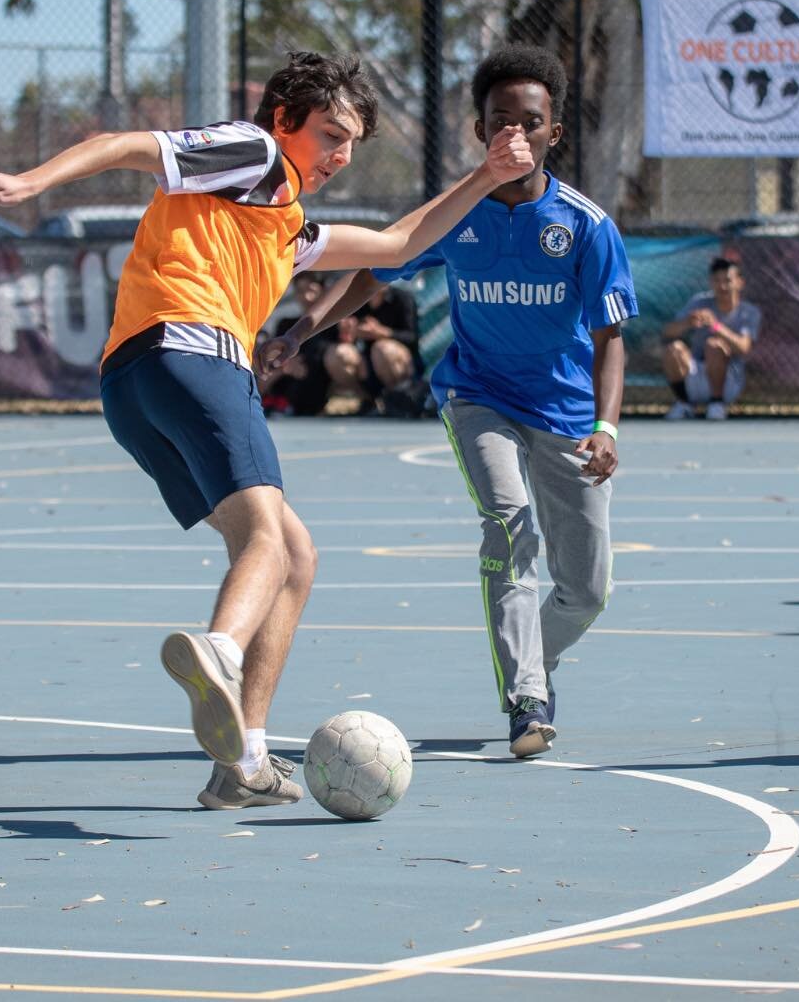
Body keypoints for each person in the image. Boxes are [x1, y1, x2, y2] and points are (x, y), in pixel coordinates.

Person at [0, 51, 534, 807]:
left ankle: (243, 765)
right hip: (191, 352)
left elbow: (398, 245)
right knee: (268, 539)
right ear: (284, 121)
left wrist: (486, 177)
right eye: (330, 133)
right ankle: (219, 655)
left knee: (293, 554)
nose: (341, 155)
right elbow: (136, 146)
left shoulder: (285, 219)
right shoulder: (254, 153)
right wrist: (33, 182)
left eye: (353, 142)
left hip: (134, 385)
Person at [257, 43, 638, 758]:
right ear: (481, 130)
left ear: (554, 133)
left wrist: (606, 424)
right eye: (501, 122)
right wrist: (301, 332)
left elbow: (611, 335)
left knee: (585, 590)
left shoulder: (586, 227)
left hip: (562, 412)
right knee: (508, 519)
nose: (515, 136)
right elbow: (372, 270)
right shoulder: (455, 214)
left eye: (531, 123)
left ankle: (533, 658)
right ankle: (527, 697)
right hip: (477, 394)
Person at [661, 256, 760, 420]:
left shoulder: (749, 312)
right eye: (716, 280)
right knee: (673, 349)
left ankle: (717, 403)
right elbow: (667, 332)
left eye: (727, 280)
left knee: (713, 345)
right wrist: (688, 322)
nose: (722, 286)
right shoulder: (699, 302)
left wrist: (715, 326)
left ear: (739, 282)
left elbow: (744, 347)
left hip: (729, 381)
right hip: (696, 376)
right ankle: (685, 403)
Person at [323, 281, 425, 415]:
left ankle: (398, 399)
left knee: (381, 349)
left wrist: (381, 333)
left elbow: (412, 338)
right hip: (367, 366)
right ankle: (366, 401)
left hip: (397, 364)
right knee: (338, 353)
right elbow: (335, 339)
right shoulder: (355, 302)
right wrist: (348, 334)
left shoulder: (402, 298)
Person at [256, 272, 336, 416]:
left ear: (323, 291)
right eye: (300, 291)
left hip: (318, 393)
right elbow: (267, 370)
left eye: (311, 290)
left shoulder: (335, 326)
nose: (306, 296)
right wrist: (285, 367)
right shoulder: (286, 325)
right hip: (285, 396)